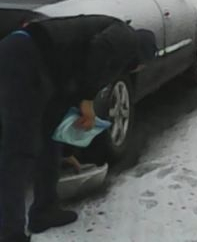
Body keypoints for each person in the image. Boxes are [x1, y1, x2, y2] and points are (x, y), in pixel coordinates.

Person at [0, 15, 157, 242]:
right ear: (141, 55)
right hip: (24, 58)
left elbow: (55, 115)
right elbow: (101, 47)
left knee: (49, 137)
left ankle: (45, 210)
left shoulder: (77, 64)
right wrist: (87, 99)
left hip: (29, 59)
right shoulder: (126, 36)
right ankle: (9, 234)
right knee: (19, 150)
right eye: (141, 65)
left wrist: (67, 153)